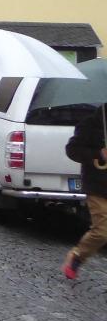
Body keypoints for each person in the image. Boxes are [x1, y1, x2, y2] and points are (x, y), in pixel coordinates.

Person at [62, 102, 107, 280]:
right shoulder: (92, 123)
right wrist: (99, 154)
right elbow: (72, 150)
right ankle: (78, 256)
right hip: (98, 186)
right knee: (102, 231)